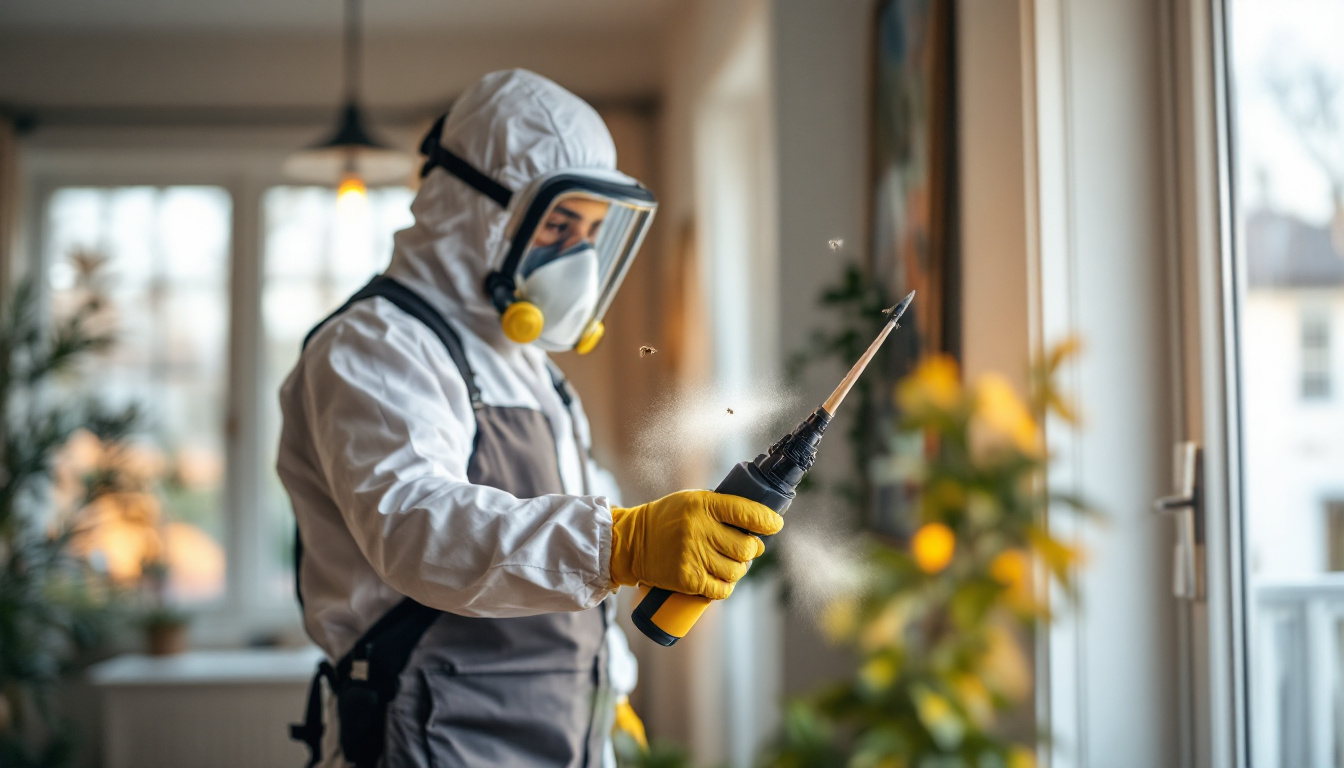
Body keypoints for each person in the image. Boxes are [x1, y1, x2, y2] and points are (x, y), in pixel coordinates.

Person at [278, 69, 782, 768]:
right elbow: (417, 526)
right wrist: (623, 545)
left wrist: (611, 695)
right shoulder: (375, 345)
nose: (575, 256)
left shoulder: (529, 367)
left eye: (591, 233)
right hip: (429, 737)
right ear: (474, 207)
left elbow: (578, 567)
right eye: (558, 224)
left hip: (554, 736)